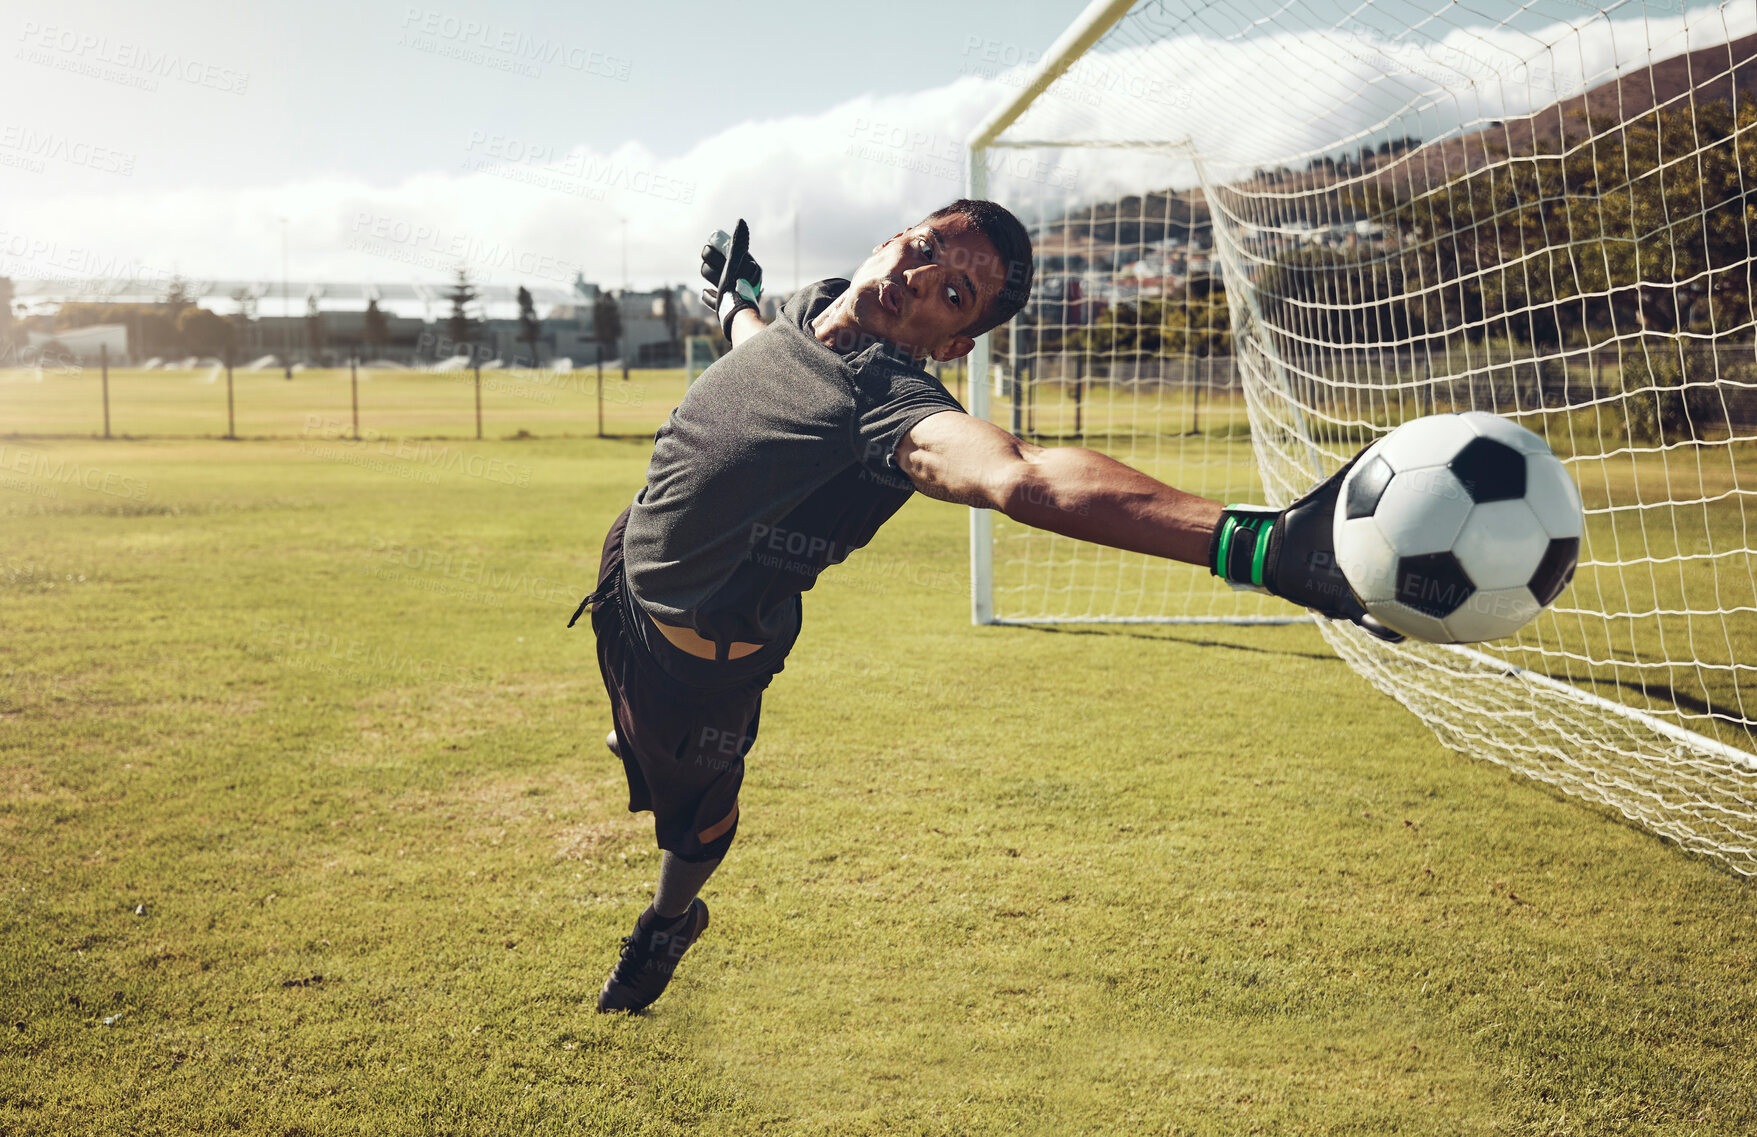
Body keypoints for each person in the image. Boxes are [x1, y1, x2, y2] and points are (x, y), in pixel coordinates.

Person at [575, 199, 1391, 1013]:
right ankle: (630, 731)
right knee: (630, 728)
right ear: (891, 238)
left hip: (696, 666)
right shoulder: (813, 303)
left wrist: (1251, 544)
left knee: (696, 822)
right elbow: (765, 348)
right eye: (925, 248)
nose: (921, 278)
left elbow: (1019, 474)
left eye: (954, 295)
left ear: (950, 345)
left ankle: (667, 922)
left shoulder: (887, 398)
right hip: (627, 567)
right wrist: (734, 299)